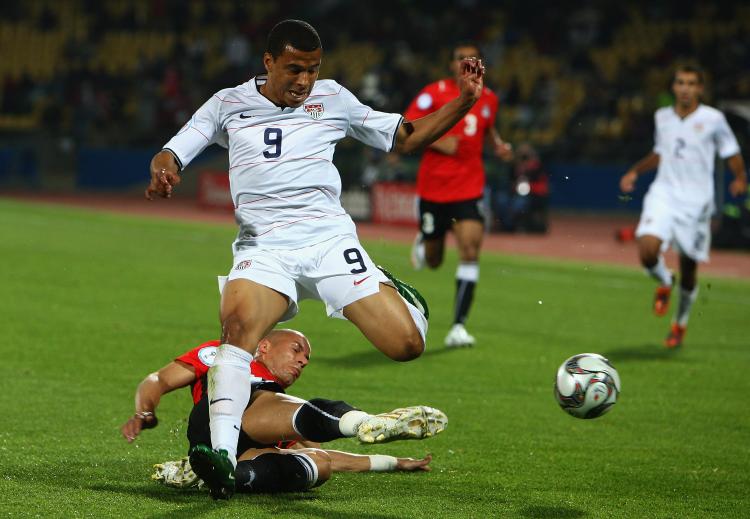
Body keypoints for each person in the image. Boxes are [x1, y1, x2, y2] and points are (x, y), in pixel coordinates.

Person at [144, 19, 485, 499]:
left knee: (406, 346)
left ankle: (388, 284)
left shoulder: (334, 99)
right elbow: (175, 149)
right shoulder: (228, 103)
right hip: (264, 246)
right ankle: (220, 459)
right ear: (268, 63)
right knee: (238, 331)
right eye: (294, 69)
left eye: (312, 69)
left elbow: (405, 137)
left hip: (327, 239)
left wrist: (465, 100)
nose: (304, 81)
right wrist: (164, 171)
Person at [121, 329, 441, 494]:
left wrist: (393, 463)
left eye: (307, 358)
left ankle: (218, 477)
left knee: (319, 463)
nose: (303, 360)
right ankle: (363, 421)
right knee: (287, 408)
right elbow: (158, 379)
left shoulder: (276, 396)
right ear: (264, 347)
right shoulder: (228, 355)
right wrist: (144, 412)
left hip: (245, 444)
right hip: (219, 413)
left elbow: (318, 451)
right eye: (296, 350)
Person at [620, 63, 747, 348]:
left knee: (689, 268)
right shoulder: (662, 116)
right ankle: (665, 281)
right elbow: (659, 153)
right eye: (680, 82)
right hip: (664, 193)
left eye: (691, 83)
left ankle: (680, 323)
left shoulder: (713, 119)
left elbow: (732, 151)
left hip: (697, 203)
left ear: (700, 88)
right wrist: (635, 171)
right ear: (673, 87)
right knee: (647, 249)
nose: (685, 88)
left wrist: (740, 177)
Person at [404, 41, 513, 349]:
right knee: (435, 260)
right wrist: (440, 141)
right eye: (459, 58)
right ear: (451, 64)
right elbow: (407, 127)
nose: (465, 63)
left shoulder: (488, 97)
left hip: (469, 188)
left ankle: (458, 327)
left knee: (469, 250)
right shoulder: (433, 93)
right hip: (434, 189)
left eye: (471, 59)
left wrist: (499, 145)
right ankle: (425, 242)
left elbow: (488, 128)